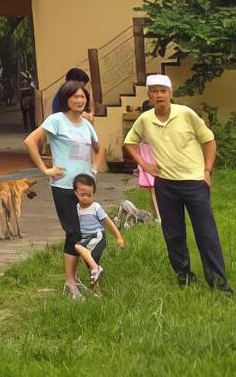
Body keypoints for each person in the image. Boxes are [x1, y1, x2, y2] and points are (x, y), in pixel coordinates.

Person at [124, 73, 230, 292]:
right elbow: (130, 143)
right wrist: (144, 164)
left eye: (163, 91)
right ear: (149, 95)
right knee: (173, 233)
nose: (159, 95)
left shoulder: (186, 114)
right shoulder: (145, 119)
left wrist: (207, 170)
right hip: (165, 184)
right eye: (154, 91)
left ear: (170, 94)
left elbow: (208, 140)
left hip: (194, 182)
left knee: (206, 232)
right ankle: (184, 276)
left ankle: (218, 282)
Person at [23, 79, 100, 300]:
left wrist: (93, 168)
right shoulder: (56, 120)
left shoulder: (86, 124)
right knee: (74, 233)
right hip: (64, 186)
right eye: (75, 96)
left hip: (84, 188)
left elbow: (98, 147)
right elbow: (30, 141)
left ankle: (78, 279)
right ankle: (70, 283)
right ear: (66, 99)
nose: (79, 100)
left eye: (83, 96)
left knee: (86, 233)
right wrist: (45, 170)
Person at [70, 172, 125, 289]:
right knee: (92, 264)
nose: (85, 197)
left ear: (93, 194)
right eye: (82, 194)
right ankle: (96, 291)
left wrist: (118, 237)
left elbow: (108, 222)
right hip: (86, 238)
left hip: (97, 236)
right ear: (75, 193)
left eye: (89, 195)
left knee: (78, 247)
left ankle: (96, 268)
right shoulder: (76, 208)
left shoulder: (95, 207)